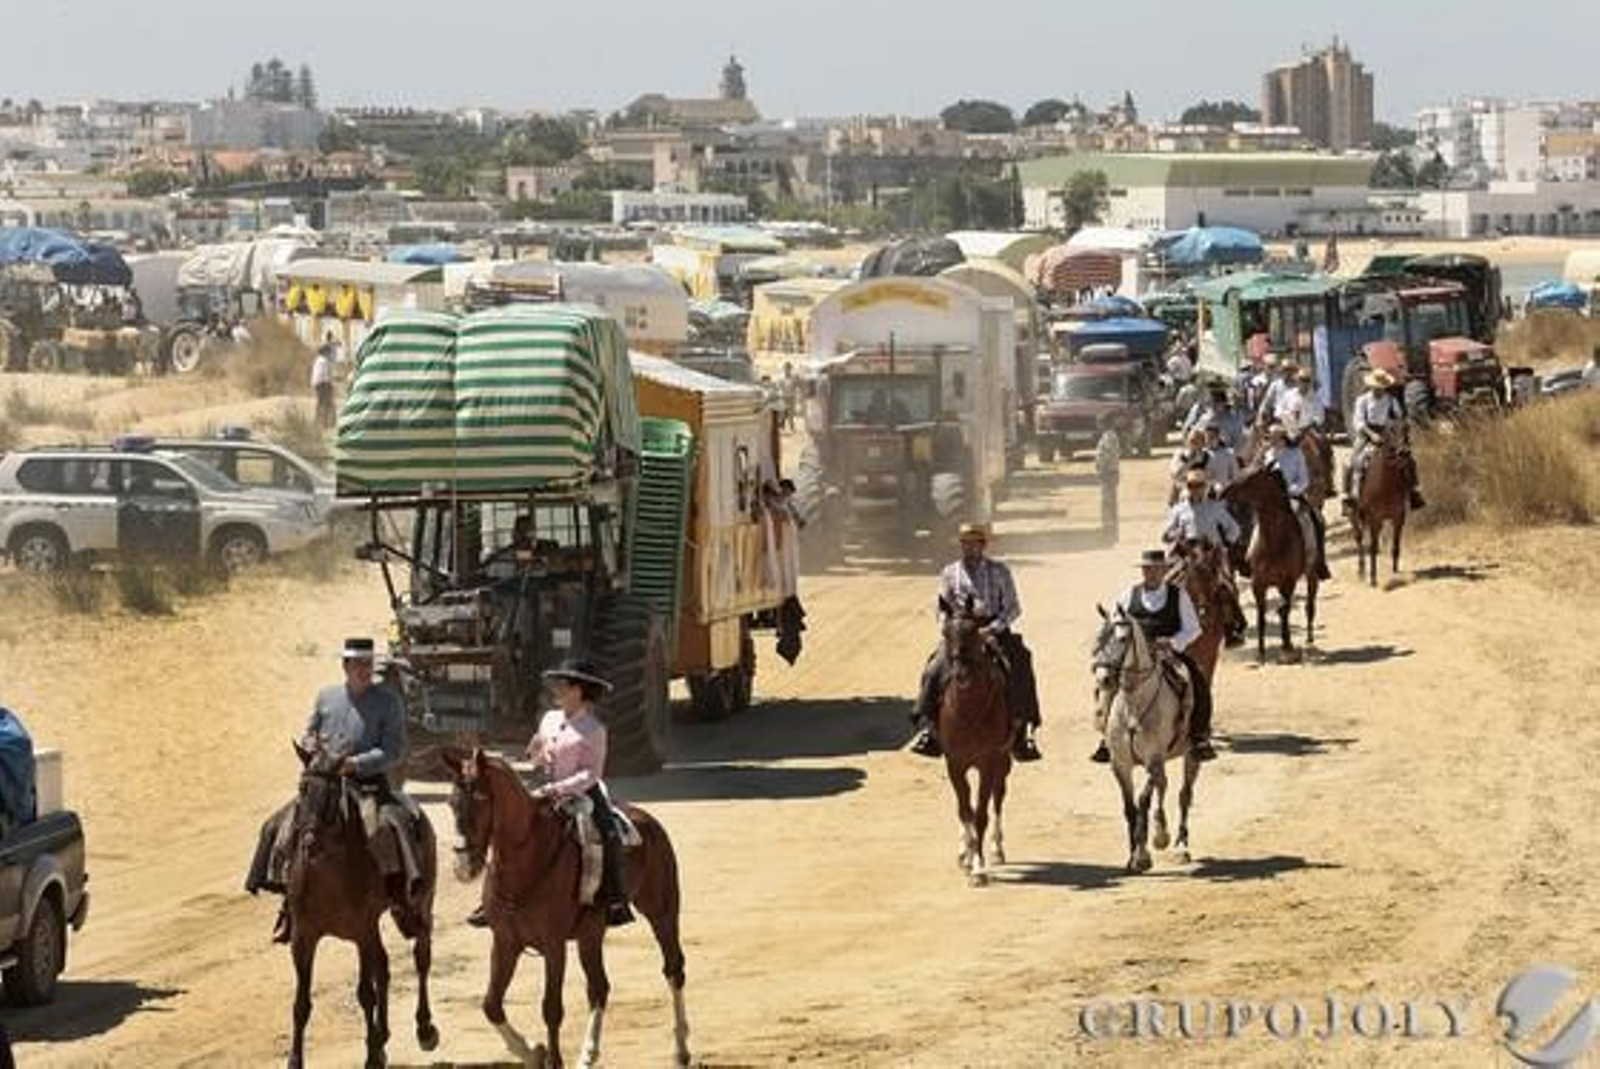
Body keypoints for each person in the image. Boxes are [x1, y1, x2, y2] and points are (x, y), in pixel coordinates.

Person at [245, 638, 420, 944]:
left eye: (367, 664)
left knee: (384, 830)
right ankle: (288, 902)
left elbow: (395, 750)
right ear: (346, 666)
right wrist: (311, 746)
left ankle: (400, 900)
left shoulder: (388, 701)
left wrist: (357, 763)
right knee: (278, 826)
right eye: (357, 664)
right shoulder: (326, 697)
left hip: (365, 784)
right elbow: (310, 731)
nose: (363, 670)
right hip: (324, 782)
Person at [909, 523, 1042, 762]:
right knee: (934, 667)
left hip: (993, 629)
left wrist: (991, 629)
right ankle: (929, 728)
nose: (969, 547)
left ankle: (1023, 731)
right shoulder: (950, 572)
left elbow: (1013, 608)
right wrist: (949, 628)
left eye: (974, 542)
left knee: (1021, 662)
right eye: (965, 543)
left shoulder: (999, 571)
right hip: (960, 632)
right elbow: (941, 606)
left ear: (983, 545)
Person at [530, 660, 636, 927]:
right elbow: (536, 753)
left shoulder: (594, 729)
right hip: (544, 790)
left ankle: (615, 898)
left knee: (608, 833)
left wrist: (556, 789)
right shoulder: (549, 719)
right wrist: (535, 754)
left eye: (564, 685)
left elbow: (591, 774)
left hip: (583, 793)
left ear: (579, 691)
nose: (557, 689)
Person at [1091, 549, 1217, 763]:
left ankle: (1199, 736)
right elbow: (1114, 624)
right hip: (1132, 654)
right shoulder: (1128, 594)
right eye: (1147, 569)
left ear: (1164, 571)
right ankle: (1107, 736)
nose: (1150, 573)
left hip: (1168, 654)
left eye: (1155, 569)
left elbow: (1193, 629)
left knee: (1196, 681)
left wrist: (1173, 642)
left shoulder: (1179, 596)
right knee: (1106, 684)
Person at [1345, 368, 1425, 510]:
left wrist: (1395, 430)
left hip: (1387, 434)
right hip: (1367, 435)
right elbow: (1359, 422)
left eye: (1382, 388)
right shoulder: (1362, 401)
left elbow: (1399, 419)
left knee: (1409, 460)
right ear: (1371, 386)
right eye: (1377, 387)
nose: (1379, 390)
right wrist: (1372, 435)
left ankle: (1414, 492)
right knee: (1352, 462)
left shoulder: (1390, 400)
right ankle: (1351, 496)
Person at [1264, 424, 1332, 581]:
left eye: (1274, 437)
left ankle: (1316, 559)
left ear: (1282, 438)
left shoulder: (1295, 454)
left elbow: (1303, 480)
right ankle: (1254, 560)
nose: (1271, 440)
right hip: (1269, 499)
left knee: (1317, 522)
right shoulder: (1267, 455)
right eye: (1270, 437)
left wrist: (1290, 491)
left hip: (1292, 496)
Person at [1167, 427, 1210, 505]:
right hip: (1183, 489)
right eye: (1192, 441)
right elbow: (1175, 475)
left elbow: (1211, 476)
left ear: (1203, 443)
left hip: (1202, 491)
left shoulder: (1207, 456)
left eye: (1197, 441)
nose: (1193, 445)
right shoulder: (1180, 454)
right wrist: (1190, 461)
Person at [1094, 421, 1121, 543]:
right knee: (1109, 504)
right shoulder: (1109, 437)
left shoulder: (1109, 437)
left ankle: (1109, 533)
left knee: (1108, 504)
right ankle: (1111, 532)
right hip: (1110, 473)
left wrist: (1101, 470)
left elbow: (1106, 456)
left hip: (1108, 473)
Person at [1201, 422, 1239, 492]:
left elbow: (1234, 476)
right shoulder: (1201, 454)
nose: (1209, 440)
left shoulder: (1229, 453)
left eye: (1212, 437)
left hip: (1225, 490)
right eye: (1207, 437)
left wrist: (1226, 485)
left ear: (1218, 437)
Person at [311, 346, 335, 429]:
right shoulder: (324, 361)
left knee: (320, 403)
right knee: (326, 403)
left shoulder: (317, 360)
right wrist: (330, 386)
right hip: (323, 384)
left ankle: (318, 421)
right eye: (329, 352)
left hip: (317, 384)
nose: (330, 354)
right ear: (325, 352)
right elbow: (326, 375)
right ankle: (325, 423)